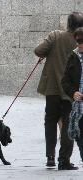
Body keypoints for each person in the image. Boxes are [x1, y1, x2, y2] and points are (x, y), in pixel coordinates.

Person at [34, 12, 83, 170]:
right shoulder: (79, 40)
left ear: (68, 23)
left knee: (50, 121)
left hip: (53, 87)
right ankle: (64, 160)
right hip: (71, 91)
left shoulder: (55, 36)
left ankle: (50, 157)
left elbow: (38, 50)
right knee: (68, 124)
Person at [62, 27, 83, 164]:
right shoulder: (73, 56)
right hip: (79, 108)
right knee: (81, 141)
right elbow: (65, 81)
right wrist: (73, 92)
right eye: (78, 41)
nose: (79, 44)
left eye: (82, 41)